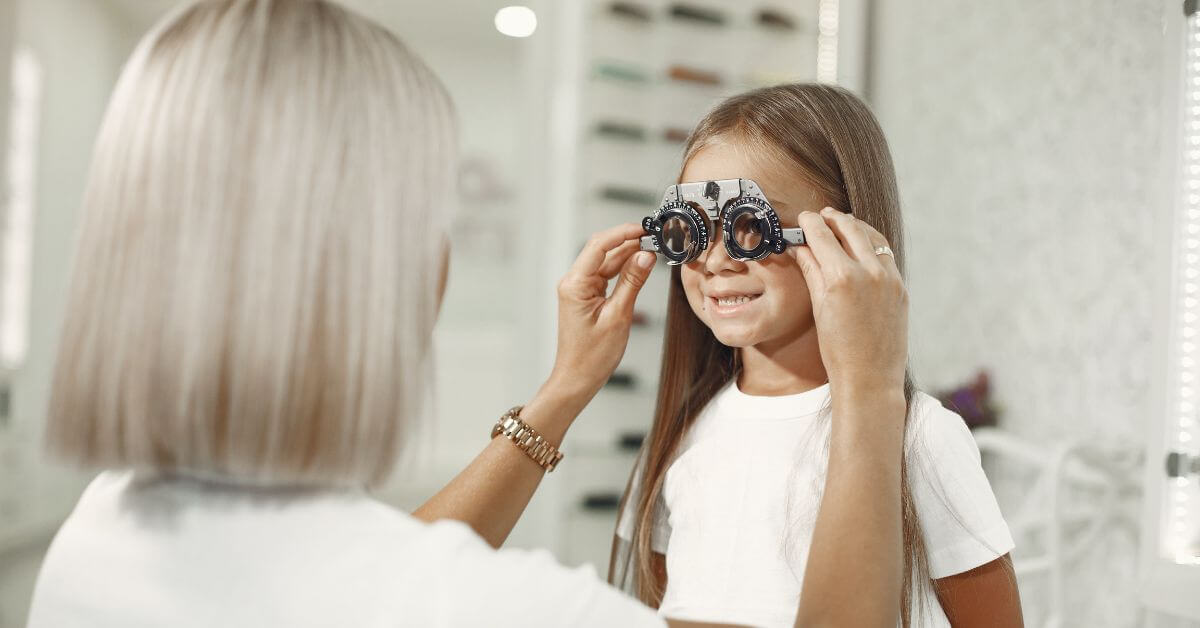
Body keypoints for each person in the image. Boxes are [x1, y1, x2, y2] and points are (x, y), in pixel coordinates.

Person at [26, 1, 912, 626]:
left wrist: (566, 389)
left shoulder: (97, 537)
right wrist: (869, 392)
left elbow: (364, 576)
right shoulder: (490, 606)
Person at [611, 84, 1024, 627]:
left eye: (749, 226)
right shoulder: (677, 434)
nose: (713, 261)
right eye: (691, 230)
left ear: (845, 234)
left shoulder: (919, 436)